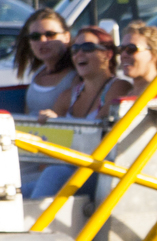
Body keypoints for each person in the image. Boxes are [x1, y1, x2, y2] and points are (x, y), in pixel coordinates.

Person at [28, 27, 133, 199]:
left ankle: (33, 226)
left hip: (99, 171)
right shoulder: (67, 96)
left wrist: (60, 126)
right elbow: (48, 148)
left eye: (88, 48)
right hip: (66, 170)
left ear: (107, 54)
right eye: (75, 49)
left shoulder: (118, 88)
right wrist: (47, 125)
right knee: (17, 189)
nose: (79, 54)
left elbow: (92, 137)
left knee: (53, 174)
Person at [15, 9, 77, 115]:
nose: (43, 41)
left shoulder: (76, 76)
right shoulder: (38, 72)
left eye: (50, 34)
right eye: (35, 37)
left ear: (67, 37)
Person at [119, 20, 157, 98]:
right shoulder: (127, 94)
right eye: (121, 49)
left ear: (154, 54)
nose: (124, 55)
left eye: (132, 48)